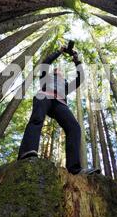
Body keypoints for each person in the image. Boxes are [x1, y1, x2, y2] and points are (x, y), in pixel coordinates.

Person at [18, 45, 101, 175]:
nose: (58, 70)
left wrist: (76, 61)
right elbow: (45, 63)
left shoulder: (66, 85)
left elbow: (80, 78)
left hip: (60, 104)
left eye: (60, 71)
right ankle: (27, 153)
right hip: (44, 96)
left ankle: (74, 168)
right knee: (37, 118)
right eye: (55, 69)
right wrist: (59, 51)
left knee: (74, 128)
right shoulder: (46, 77)